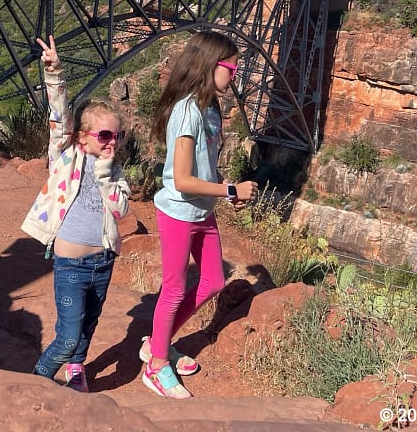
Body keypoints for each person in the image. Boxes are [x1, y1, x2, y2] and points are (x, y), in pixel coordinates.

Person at [140, 31, 257, 398]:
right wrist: (231, 191)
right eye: (231, 69)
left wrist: (225, 185)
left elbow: (204, 167)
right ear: (210, 66)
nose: (234, 76)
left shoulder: (210, 108)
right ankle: (156, 366)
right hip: (178, 213)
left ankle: (158, 342)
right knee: (174, 289)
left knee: (213, 282)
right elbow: (185, 180)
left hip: (202, 211)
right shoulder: (187, 111)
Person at [21, 35, 130, 393]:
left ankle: (76, 369)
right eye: (104, 135)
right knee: (67, 336)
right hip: (70, 265)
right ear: (82, 138)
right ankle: (38, 380)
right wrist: (55, 75)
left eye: (118, 135)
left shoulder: (114, 172)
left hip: (102, 262)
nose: (112, 141)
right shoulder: (66, 157)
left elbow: (120, 210)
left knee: (88, 326)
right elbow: (58, 117)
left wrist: (105, 174)